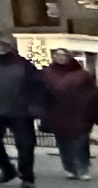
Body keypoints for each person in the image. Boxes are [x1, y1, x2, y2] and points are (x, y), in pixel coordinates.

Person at [0, 34, 47, 187]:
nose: (0, 48)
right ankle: (7, 169)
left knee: (25, 144)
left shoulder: (23, 65)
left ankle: (26, 175)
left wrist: (35, 105)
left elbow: (37, 86)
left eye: (3, 45)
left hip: (20, 110)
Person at [41, 50, 98, 181]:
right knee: (63, 142)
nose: (60, 58)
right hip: (57, 112)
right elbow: (42, 92)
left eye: (63, 55)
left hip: (80, 112)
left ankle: (83, 167)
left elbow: (92, 94)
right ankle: (69, 168)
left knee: (81, 141)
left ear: (69, 57)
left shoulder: (83, 75)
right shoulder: (47, 73)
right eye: (57, 56)